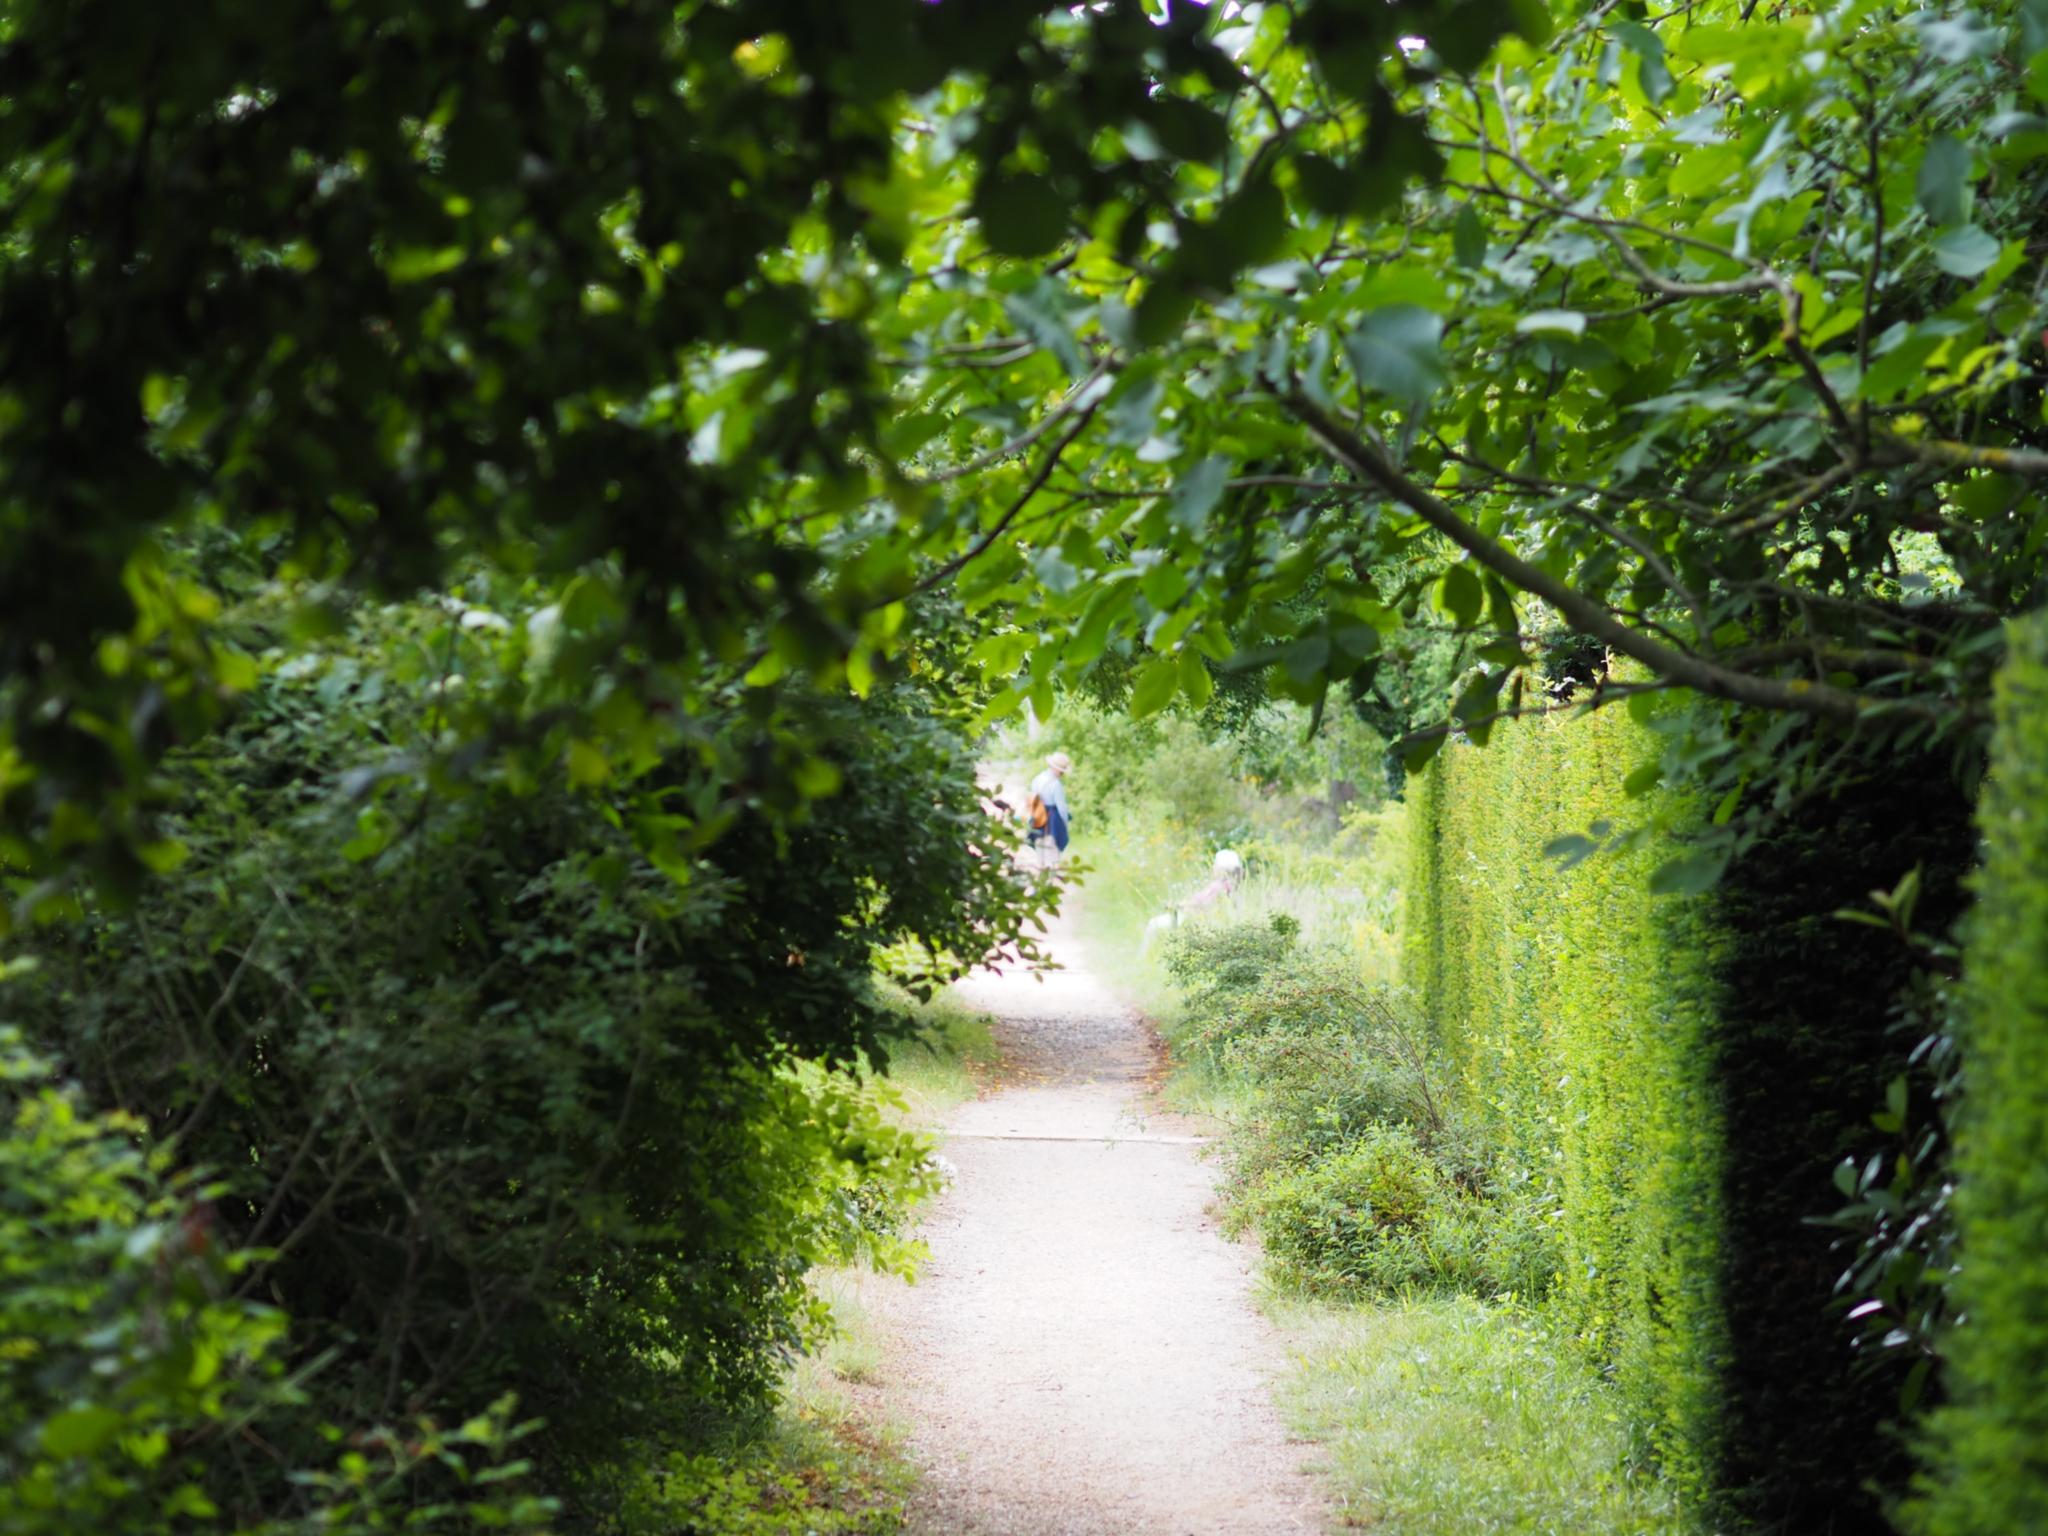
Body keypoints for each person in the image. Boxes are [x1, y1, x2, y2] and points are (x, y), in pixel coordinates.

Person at [1026, 752, 1073, 871]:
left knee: (1040, 853)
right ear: (1056, 769)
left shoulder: (1037, 779)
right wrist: (1065, 825)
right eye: (1061, 771)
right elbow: (1062, 808)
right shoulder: (1056, 784)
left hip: (1037, 819)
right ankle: (1051, 881)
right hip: (1052, 821)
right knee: (1052, 855)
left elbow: (1033, 801)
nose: (1062, 774)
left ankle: (1040, 881)